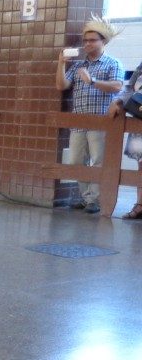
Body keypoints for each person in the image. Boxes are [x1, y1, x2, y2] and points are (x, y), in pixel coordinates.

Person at [56, 16, 124, 214]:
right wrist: (61, 63)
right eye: (85, 41)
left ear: (103, 41)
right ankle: (86, 198)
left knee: (98, 160)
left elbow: (117, 86)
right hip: (79, 120)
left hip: (100, 121)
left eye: (92, 40)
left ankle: (94, 200)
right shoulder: (78, 66)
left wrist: (92, 81)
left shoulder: (113, 63)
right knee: (76, 160)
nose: (87, 44)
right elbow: (61, 85)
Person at [109, 59, 142, 220]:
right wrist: (119, 100)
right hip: (139, 122)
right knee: (141, 165)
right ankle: (140, 204)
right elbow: (129, 87)